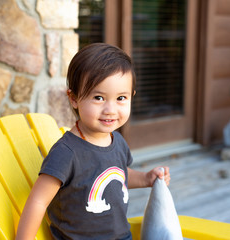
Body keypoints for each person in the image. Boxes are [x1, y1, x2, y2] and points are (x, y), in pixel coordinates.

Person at [16, 43, 170, 240]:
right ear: (73, 98)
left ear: (132, 97)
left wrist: (145, 178)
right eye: (98, 98)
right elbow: (38, 201)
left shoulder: (117, 141)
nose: (110, 109)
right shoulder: (67, 153)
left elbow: (117, 175)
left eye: (121, 98)